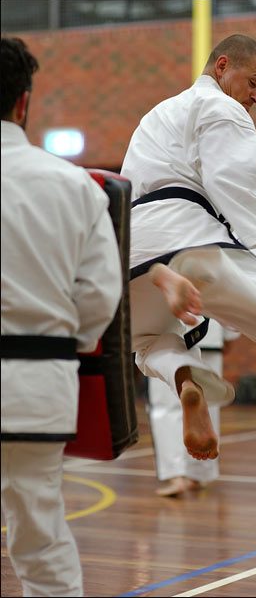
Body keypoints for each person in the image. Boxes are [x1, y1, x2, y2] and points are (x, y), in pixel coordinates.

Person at [122, 34, 256, 463]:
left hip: (135, 253)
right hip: (191, 241)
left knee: (148, 345)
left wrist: (241, 171)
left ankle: (185, 380)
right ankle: (198, 274)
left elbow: (172, 180)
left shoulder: (157, 116)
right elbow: (228, 181)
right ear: (222, 66)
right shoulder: (224, 108)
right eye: (254, 81)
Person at [1, 37, 122, 597]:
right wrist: (60, 343)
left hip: (39, 376)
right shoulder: (73, 185)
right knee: (41, 542)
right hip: (36, 387)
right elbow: (99, 294)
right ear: (23, 103)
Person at [148, 320, 240, 497]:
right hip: (210, 332)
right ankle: (200, 474)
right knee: (208, 405)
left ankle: (176, 476)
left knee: (166, 408)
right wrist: (229, 334)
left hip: (168, 332)